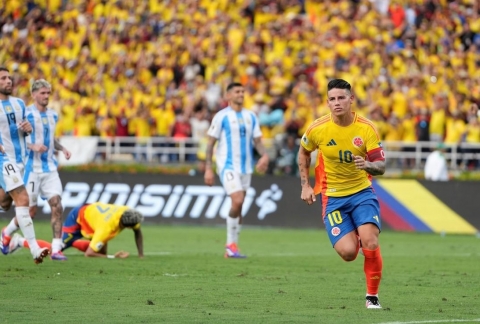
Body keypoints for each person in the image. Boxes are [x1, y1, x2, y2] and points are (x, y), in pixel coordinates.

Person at [297, 79, 386, 309]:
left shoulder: (366, 128)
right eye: (332, 99)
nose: (337, 103)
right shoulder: (318, 128)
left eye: (342, 98)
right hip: (333, 198)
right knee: (348, 253)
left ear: (351, 99)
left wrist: (367, 165)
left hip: (361, 193)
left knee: (370, 240)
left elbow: (381, 166)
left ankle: (372, 296)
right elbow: (303, 153)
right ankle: (355, 232)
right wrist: (305, 185)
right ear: (327, 102)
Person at [204, 82, 269, 258]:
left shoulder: (251, 116)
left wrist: (264, 156)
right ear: (228, 96)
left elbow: (257, 141)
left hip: (246, 167)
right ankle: (230, 245)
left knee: (239, 207)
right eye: (237, 91)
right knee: (238, 200)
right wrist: (208, 169)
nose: (241, 94)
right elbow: (210, 144)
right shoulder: (221, 116)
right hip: (227, 165)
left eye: (242, 91)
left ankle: (232, 248)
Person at [0, 67, 50, 264]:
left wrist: (28, 129)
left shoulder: (19, 104)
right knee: (23, 199)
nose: (8, 81)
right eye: (3, 78)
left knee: (5, 203)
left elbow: (23, 129)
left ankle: (5, 237)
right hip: (4, 160)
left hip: (22, 161)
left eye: (9, 78)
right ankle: (35, 249)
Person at [9, 202, 144, 259]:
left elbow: (138, 232)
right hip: (78, 218)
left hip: (93, 217)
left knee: (100, 251)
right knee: (54, 251)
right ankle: (19, 241)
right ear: (126, 226)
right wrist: (112, 257)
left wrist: (141, 255)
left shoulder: (127, 213)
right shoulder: (106, 228)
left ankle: (71, 242)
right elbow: (89, 254)